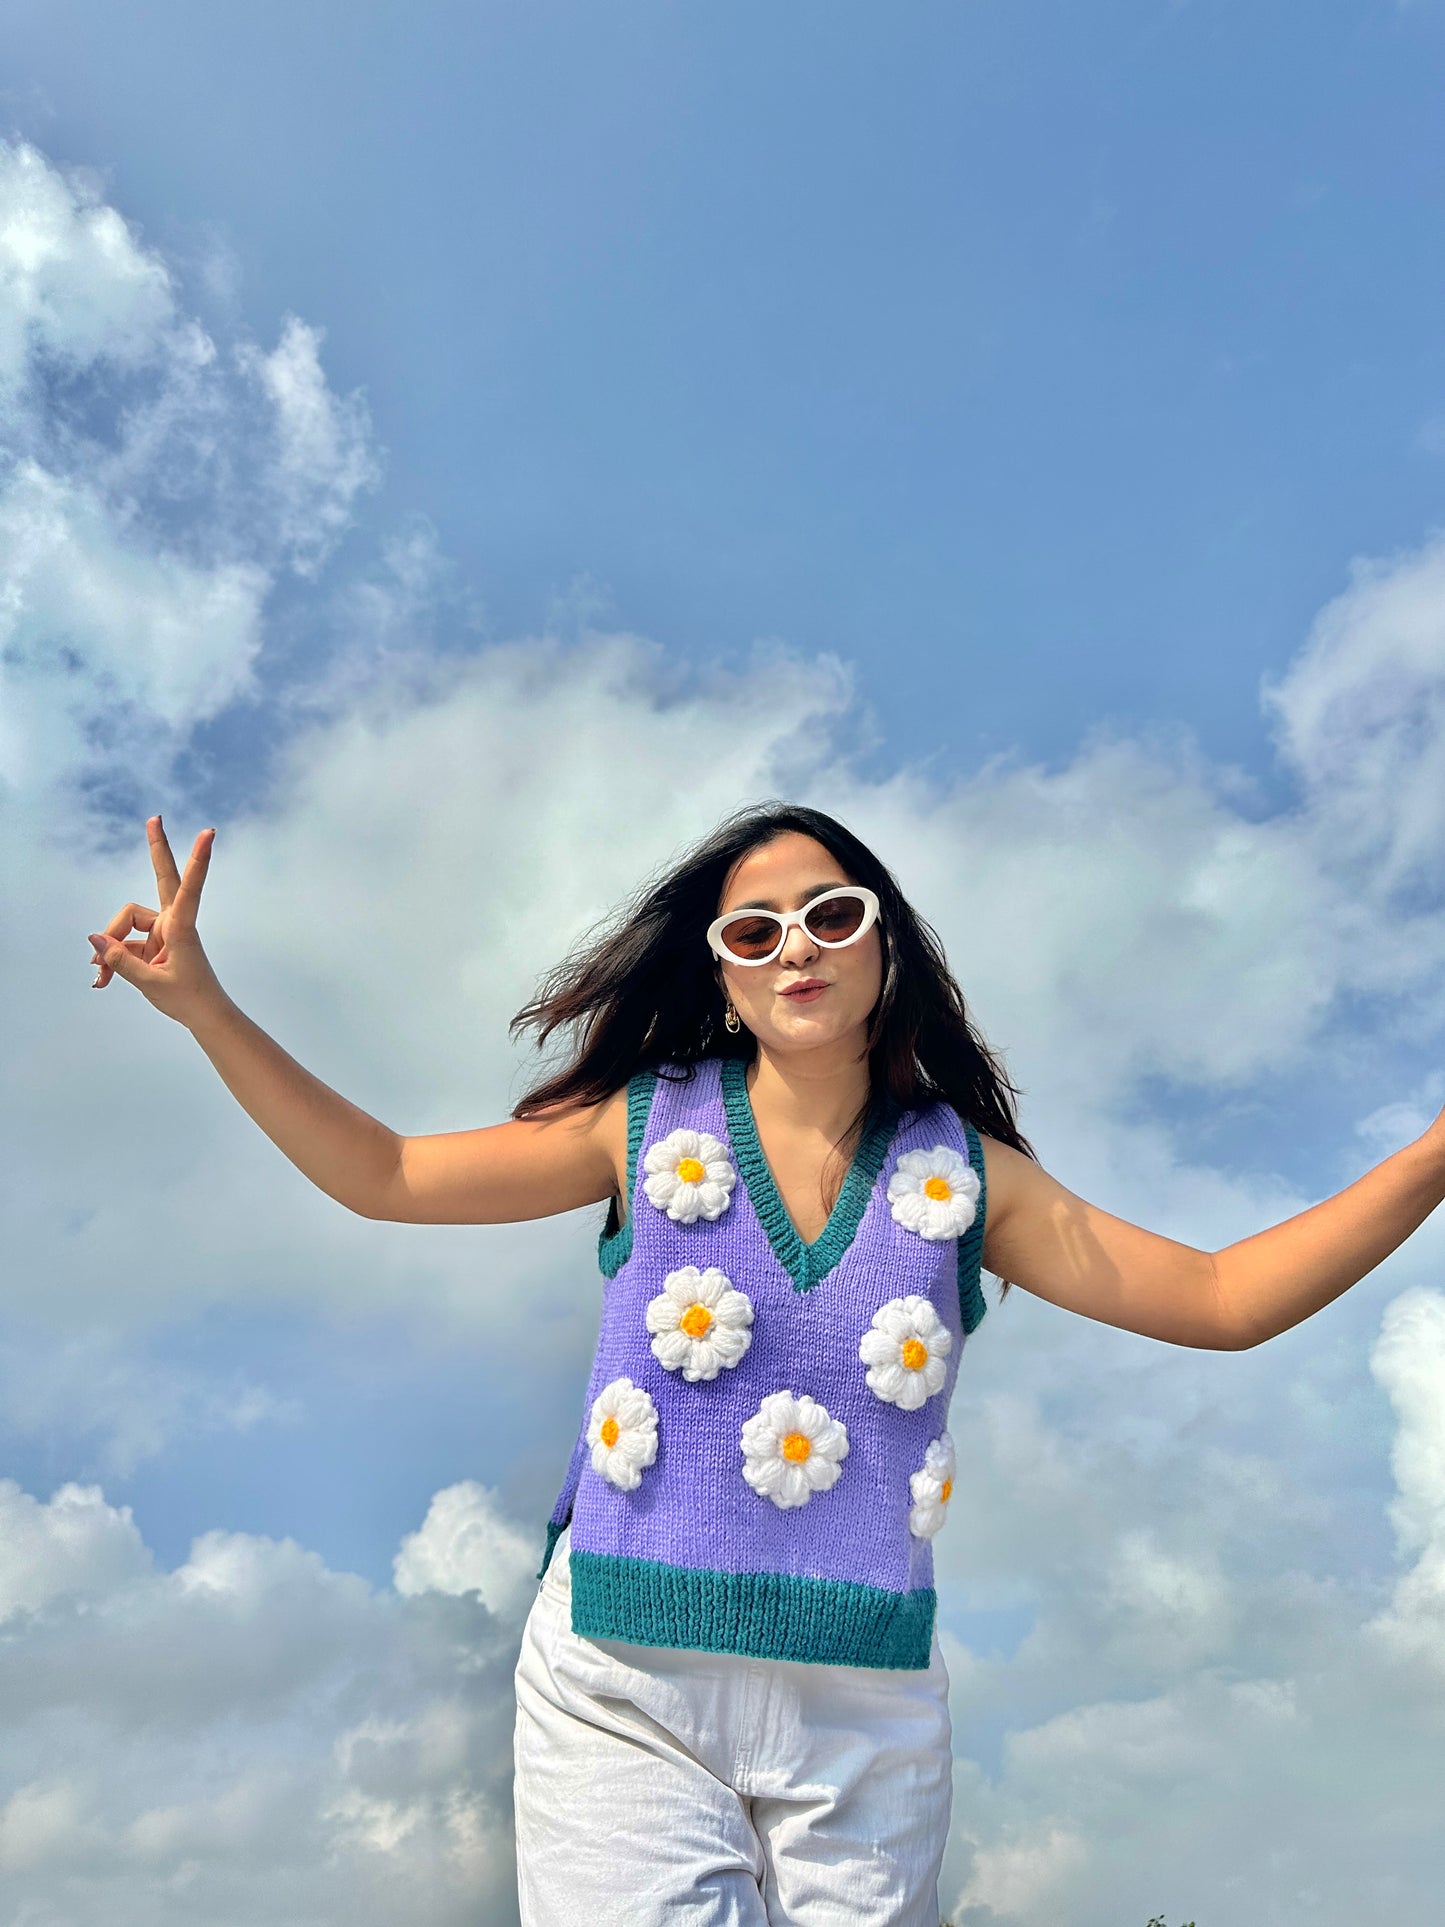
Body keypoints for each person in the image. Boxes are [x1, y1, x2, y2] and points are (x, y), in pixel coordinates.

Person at [87, 800, 1445, 1927]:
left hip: (864, 1706)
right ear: (724, 971)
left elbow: (1216, 1297)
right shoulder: (639, 1124)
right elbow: (382, 1175)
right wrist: (205, 1006)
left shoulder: (967, 1180)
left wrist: (1434, 1150)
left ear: (883, 946)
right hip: (622, 1677)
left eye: (831, 914)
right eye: (755, 930)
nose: (796, 946)